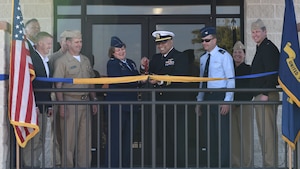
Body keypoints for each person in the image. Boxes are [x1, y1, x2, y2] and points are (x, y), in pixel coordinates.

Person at [140, 30, 189, 167]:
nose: (161, 46)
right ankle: (168, 164)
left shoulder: (180, 57)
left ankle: (179, 165)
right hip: (160, 106)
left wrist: (160, 81)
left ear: (171, 42)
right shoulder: (156, 58)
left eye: (164, 42)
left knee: (177, 138)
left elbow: (180, 76)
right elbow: (148, 74)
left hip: (175, 104)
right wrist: (143, 66)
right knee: (164, 138)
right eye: (158, 43)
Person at [53, 30, 98, 168]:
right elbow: (58, 85)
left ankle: (84, 166)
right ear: (68, 43)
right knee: (68, 140)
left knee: (85, 140)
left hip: (85, 102)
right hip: (69, 102)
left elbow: (90, 81)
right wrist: (61, 105)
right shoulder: (62, 61)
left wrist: (94, 99)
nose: (79, 44)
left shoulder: (85, 60)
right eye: (76, 42)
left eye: (81, 41)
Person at [195, 26, 235, 167]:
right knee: (209, 133)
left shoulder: (224, 55)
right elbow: (202, 81)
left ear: (214, 40)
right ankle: (211, 164)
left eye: (207, 40)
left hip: (220, 96)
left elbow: (230, 80)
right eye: (203, 40)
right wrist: (199, 101)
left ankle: (223, 164)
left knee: (222, 134)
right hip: (207, 97)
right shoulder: (203, 58)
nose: (204, 43)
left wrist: (227, 101)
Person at [104, 36, 142, 167]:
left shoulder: (131, 62)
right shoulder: (112, 63)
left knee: (128, 140)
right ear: (112, 52)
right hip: (117, 107)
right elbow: (121, 81)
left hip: (131, 106)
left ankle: (125, 165)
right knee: (115, 139)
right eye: (118, 50)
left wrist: (142, 70)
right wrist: (137, 80)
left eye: (123, 48)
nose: (121, 51)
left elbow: (138, 78)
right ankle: (113, 165)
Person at [250, 19, 280, 168]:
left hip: (265, 95)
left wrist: (265, 93)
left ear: (265, 31)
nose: (255, 34)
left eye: (257, 31)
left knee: (267, 134)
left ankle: (270, 165)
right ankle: (268, 164)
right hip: (261, 95)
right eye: (253, 32)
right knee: (264, 134)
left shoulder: (268, 48)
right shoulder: (261, 47)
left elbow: (271, 72)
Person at [22, 31, 53, 167]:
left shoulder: (45, 60)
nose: (50, 46)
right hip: (36, 107)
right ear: (40, 43)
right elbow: (31, 84)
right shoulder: (33, 59)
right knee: (33, 140)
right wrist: (33, 106)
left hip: (44, 106)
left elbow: (47, 85)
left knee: (40, 140)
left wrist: (50, 105)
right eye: (48, 43)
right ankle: (29, 165)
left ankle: (35, 164)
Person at [230, 41, 253, 167]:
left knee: (245, 137)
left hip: (244, 105)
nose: (237, 54)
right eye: (235, 52)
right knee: (234, 137)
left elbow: (248, 91)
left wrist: (236, 103)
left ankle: (246, 164)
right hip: (231, 106)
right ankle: (235, 164)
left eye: (240, 52)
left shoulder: (249, 69)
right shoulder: (230, 69)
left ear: (244, 55)